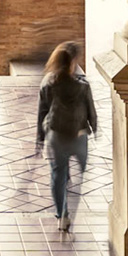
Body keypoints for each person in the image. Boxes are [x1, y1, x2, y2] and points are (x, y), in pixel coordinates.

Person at [35, 40, 98, 233]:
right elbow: (91, 111)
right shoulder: (83, 86)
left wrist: (40, 137)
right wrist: (94, 128)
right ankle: (74, 201)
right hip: (78, 136)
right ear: (73, 62)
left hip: (56, 135)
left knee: (57, 174)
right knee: (81, 174)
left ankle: (62, 215)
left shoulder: (48, 83)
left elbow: (42, 111)